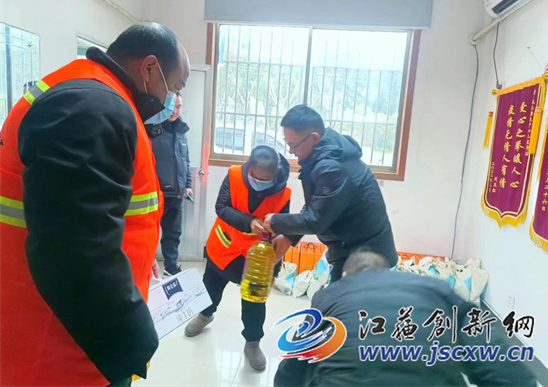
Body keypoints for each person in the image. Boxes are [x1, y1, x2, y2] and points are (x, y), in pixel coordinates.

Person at [0, 22, 190, 387]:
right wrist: (133, 343)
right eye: (176, 87)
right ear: (150, 68)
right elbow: (73, 254)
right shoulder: (92, 108)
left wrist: (140, 253)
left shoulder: (96, 94)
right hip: (63, 348)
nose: (173, 100)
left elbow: (91, 213)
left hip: (71, 333)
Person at [274, 251, 537, 387]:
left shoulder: (330, 295)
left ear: (346, 276)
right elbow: (501, 365)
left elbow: (292, 370)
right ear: (389, 272)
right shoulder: (436, 290)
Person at [184, 146, 297, 371]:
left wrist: (276, 254)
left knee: (254, 302)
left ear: (275, 174)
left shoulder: (283, 194)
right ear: (249, 168)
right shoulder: (235, 175)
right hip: (224, 246)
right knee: (210, 287)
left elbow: (283, 226)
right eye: (254, 176)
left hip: (257, 257)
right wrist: (248, 222)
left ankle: (252, 342)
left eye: (264, 179)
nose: (258, 182)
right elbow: (222, 207)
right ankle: (205, 314)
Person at [263, 105, 398, 282]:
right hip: (352, 251)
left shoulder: (332, 167)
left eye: (293, 145)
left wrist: (275, 221)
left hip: (368, 259)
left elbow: (316, 220)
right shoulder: (327, 155)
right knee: (335, 297)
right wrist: (289, 236)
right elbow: (318, 204)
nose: (291, 151)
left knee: (341, 299)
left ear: (314, 138)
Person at [146, 95, 193, 277]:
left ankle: (170, 267)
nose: (175, 111)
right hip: (155, 193)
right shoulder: (151, 128)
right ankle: (146, 265)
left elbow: (185, 160)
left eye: (179, 107)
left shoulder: (181, 131)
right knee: (149, 232)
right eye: (172, 106)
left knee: (173, 233)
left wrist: (187, 185)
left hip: (176, 193)